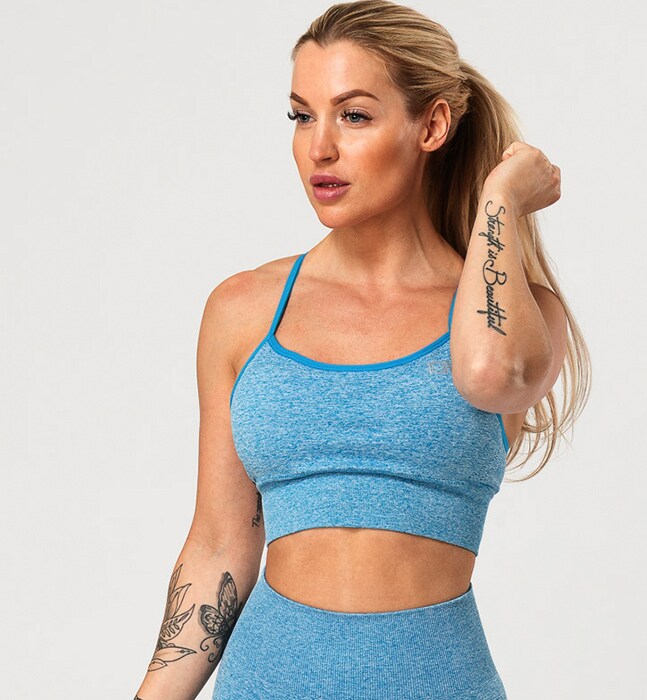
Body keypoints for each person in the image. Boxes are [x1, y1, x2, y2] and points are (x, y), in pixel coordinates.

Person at [133, 1, 591, 698]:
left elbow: (490, 374)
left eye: (352, 115)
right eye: (301, 116)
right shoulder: (243, 311)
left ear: (432, 126)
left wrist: (499, 200)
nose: (319, 147)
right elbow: (219, 546)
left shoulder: (519, 319)